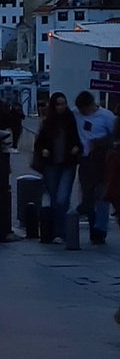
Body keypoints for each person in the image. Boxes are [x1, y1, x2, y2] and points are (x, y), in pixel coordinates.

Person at [32, 92, 81, 242]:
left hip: (68, 163)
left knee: (62, 198)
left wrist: (76, 148)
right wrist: (43, 151)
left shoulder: (71, 121)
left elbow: (79, 139)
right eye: (58, 104)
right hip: (51, 164)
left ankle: (62, 231)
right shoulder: (47, 123)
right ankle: (57, 231)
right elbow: (39, 143)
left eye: (63, 103)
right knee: (54, 198)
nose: (62, 107)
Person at [73, 90, 116, 244]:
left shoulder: (106, 116)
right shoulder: (76, 114)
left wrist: (99, 143)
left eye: (85, 109)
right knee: (88, 195)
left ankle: (101, 230)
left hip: (103, 160)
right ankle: (93, 225)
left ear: (91, 105)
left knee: (103, 195)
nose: (83, 113)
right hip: (85, 160)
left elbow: (115, 135)